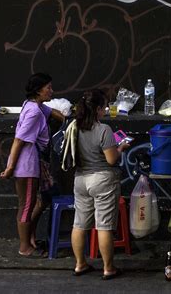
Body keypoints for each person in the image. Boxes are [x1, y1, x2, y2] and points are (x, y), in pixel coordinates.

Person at [0, 73, 64, 257]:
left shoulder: (33, 105)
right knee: (26, 205)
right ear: (38, 90)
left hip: (30, 163)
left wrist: (66, 120)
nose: (51, 91)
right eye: (48, 88)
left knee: (33, 202)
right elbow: (18, 140)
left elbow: (51, 112)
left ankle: (30, 239)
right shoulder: (34, 112)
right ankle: (25, 247)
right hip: (27, 165)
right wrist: (10, 167)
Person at [70, 89, 130, 280]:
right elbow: (111, 159)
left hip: (80, 179)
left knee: (79, 224)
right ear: (96, 109)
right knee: (104, 226)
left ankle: (80, 264)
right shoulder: (104, 130)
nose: (105, 110)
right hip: (102, 180)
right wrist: (120, 147)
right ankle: (108, 268)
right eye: (104, 107)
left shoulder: (73, 127)